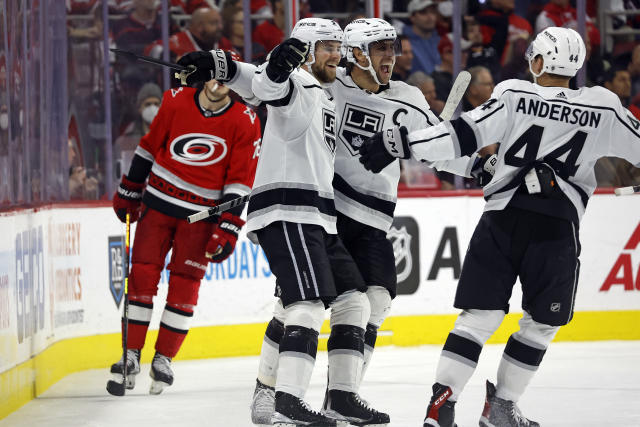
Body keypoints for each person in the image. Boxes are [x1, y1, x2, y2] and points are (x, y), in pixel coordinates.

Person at [359, 27, 640, 427]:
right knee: (542, 323)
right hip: (556, 230)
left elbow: (459, 137)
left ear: (541, 61)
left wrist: (402, 143)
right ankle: (502, 407)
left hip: (502, 221)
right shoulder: (604, 106)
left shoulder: (513, 93)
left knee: (478, 318)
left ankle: (441, 404)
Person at [178, 18, 385, 426]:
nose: (336, 54)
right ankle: (286, 401)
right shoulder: (300, 85)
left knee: (353, 300)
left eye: (337, 46)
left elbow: (252, 78)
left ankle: (341, 397)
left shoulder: (323, 93)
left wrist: (221, 66)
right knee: (305, 305)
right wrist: (275, 67)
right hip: (290, 212)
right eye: (327, 46)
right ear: (305, 50)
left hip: (319, 218)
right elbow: (271, 86)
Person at [107, 77, 261, 395]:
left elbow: (240, 179)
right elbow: (149, 147)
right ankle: (131, 353)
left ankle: (163, 357)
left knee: (184, 285)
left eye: (226, 77)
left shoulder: (245, 120)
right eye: (213, 75)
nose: (218, 83)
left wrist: (229, 225)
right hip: (158, 205)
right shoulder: (175, 100)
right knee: (142, 277)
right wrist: (130, 188)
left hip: (201, 218)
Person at [404, 0, 441, 75]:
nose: (430, 17)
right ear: (412, 17)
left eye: (433, 12)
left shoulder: (439, 40)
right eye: (423, 12)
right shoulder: (404, 43)